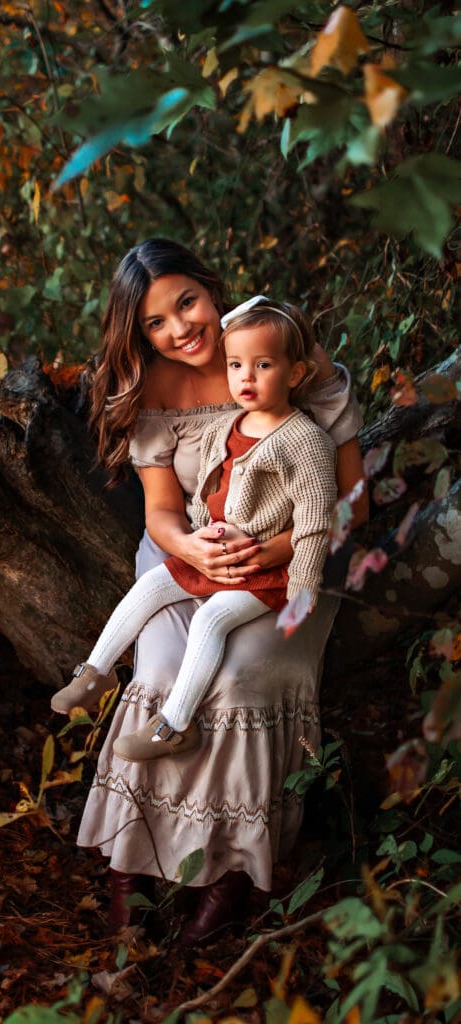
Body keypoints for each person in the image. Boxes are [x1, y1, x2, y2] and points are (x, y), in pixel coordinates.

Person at [61, 239, 368, 946]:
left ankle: (230, 874)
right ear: (139, 335)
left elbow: (351, 501)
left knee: (235, 679)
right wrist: (194, 546)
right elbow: (162, 515)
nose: (180, 329)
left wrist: (271, 549)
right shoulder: (151, 390)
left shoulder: (273, 352)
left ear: (210, 287)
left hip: (288, 558)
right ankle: (130, 868)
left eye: (187, 303)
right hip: (182, 551)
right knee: (167, 672)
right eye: (155, 323)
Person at [52, 297, 337, 769]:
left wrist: (304, 586)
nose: (246, 377)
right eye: (237, 365)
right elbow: (205, 492)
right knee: (150, 586)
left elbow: (316, 519)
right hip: (217, 553)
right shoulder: (227, 424)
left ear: (295, 374)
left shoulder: (304, 441)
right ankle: (95, 672)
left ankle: (174, 726)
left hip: (268, 572)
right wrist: (199, 539)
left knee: (210, 621)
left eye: (262, 365)